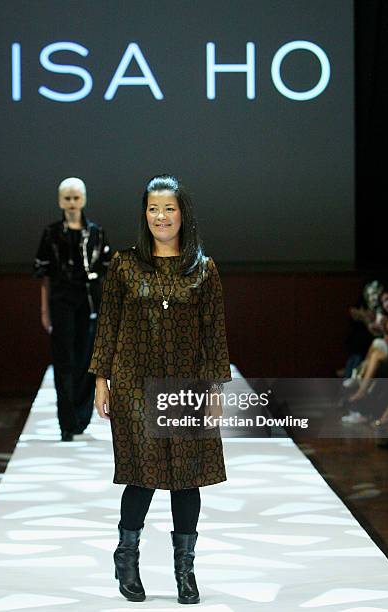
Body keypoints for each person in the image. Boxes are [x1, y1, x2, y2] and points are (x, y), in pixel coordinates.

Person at [89, 174, 231, 605]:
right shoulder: (125, 264)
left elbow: (214, 333)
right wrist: (101, 379)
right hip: (133, 380)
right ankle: (126, 557)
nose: (161, 216)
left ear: (183, 214)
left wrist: (215, 390)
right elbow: (109, 321)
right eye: (153, 208)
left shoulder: (203, 268)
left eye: (169, 208)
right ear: (144, 214)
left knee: (187, 478)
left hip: (186, 383)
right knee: (143, 474)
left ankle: (184, 573)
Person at [34, 178, 111, 441]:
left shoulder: (97, 233)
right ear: (59, 200)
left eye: (76, 198)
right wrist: (45, 311)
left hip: (90, 303)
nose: (71, 203)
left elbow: (105, 274)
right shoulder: (51, 233)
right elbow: (44, 276)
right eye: (67, 198)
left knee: (87, 360)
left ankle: (81, 418)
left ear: (84, 199)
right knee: (64, 361)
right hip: (61, 302)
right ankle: (67, 422)